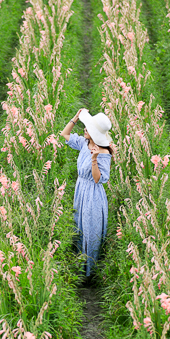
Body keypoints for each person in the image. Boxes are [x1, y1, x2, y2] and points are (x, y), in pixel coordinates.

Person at [60, 108, 113, 278]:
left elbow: (98, 179)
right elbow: (65, 135)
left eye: (87, 128)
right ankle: (79, 265)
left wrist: (94, 159)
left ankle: (90, 271)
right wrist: (75, 117)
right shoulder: (84, 143)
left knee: (91, 229)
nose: (84, 129)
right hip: (80, 190)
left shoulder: (103, 153)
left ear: (94, 133)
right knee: (79, 225)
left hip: (93, 195)